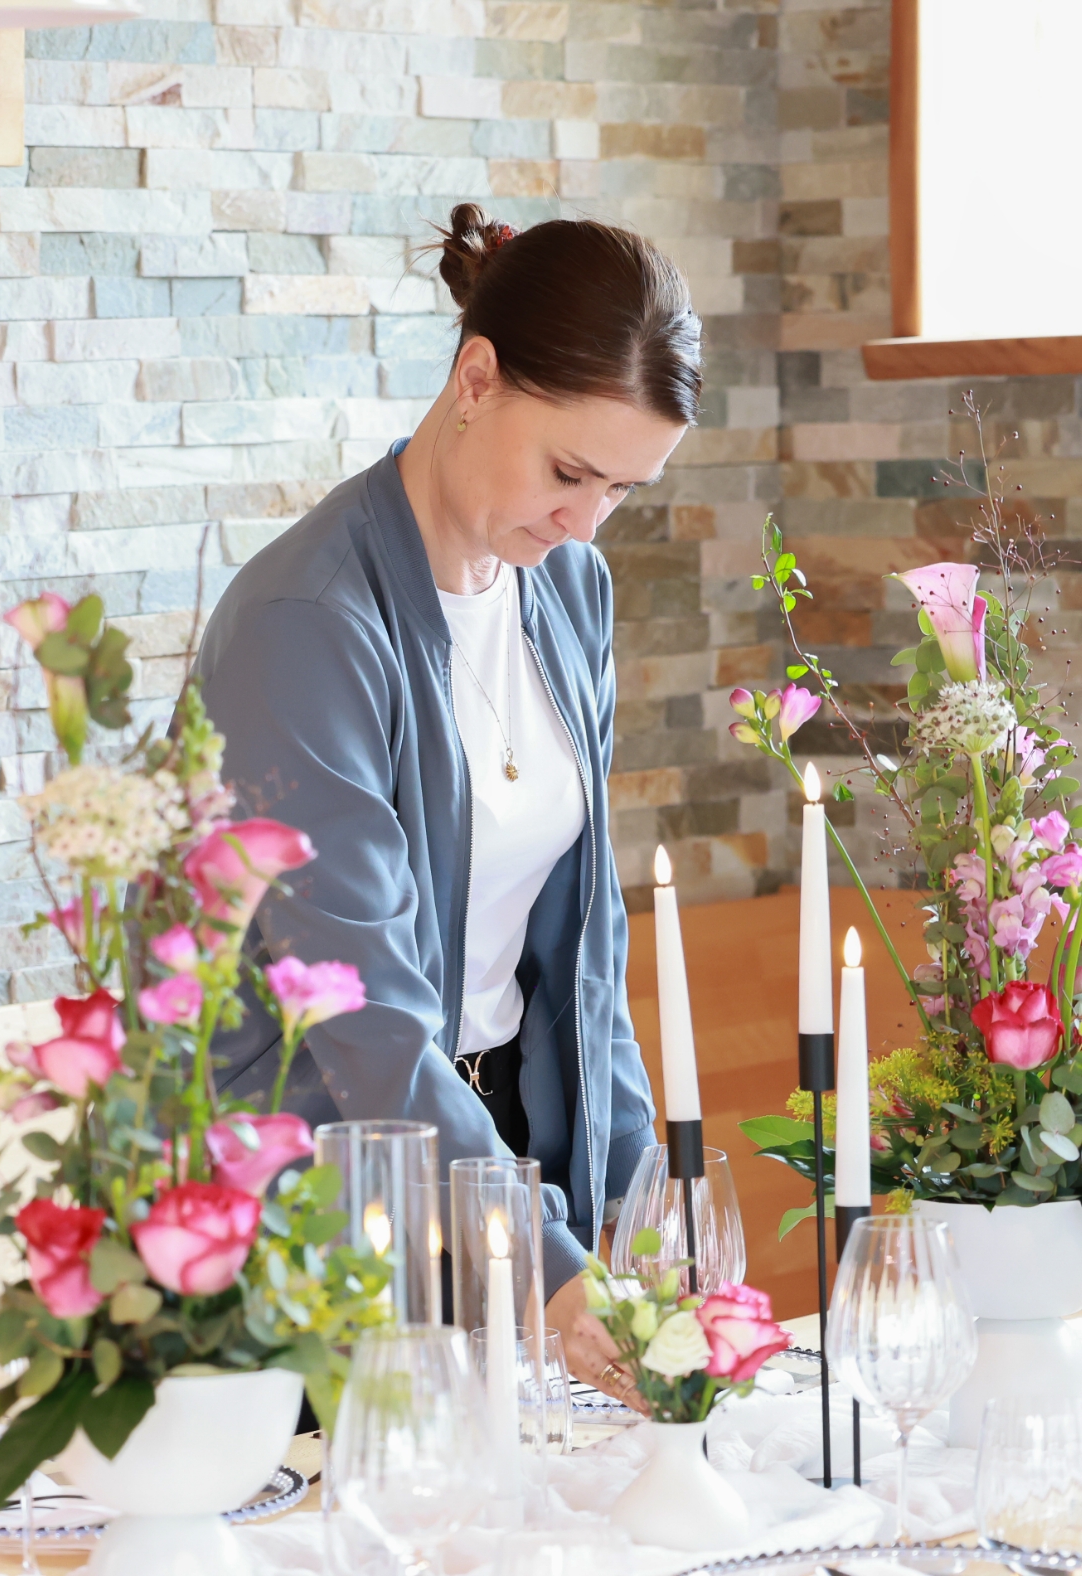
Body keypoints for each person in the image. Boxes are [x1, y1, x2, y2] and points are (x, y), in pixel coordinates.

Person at [196, 203, 702, 1397]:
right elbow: (362, 1016)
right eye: (569, 472)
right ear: (474, 375)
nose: (585, 522)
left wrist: (633, 1223)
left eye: (622, 490)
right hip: (326, 1208)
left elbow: (582, 960)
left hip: (501, 1171)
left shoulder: (566, 588)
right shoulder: (307, 625)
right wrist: (557, 1269)